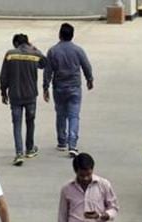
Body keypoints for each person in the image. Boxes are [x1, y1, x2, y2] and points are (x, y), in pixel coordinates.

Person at [43, 23, 94, 158]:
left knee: (61, 114)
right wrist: (90, 79)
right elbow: (86, 66)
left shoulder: (53, 51)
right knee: (74, 115)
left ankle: (62, 141)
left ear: (59, 34)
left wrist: (45, 87)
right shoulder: (78, 50)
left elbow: (48, 70)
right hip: (74, 87)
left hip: (59, 87)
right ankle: (73, 144)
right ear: (72, 35)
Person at [0, 33, 46, 166]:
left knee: (17, 124)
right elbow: (44, 63)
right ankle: (30, 148)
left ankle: (19, 153)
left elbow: (4, 75)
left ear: (15, 43)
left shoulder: (10, 54)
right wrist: (35, 49)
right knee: (30, 122)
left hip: (15, 95)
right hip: (31, 95)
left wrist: (3, 91)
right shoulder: (34, 54)